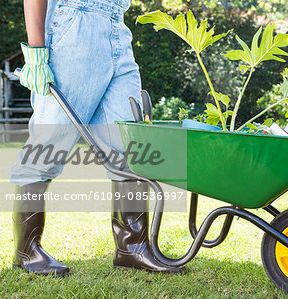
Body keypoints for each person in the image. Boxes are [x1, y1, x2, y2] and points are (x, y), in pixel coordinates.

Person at [10, 0, 182, 276]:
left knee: (130, 143)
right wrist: (36, 51)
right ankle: (26, 250)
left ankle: (132, 247)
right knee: (47, 146)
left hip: (117, 28)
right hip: (73, 27)